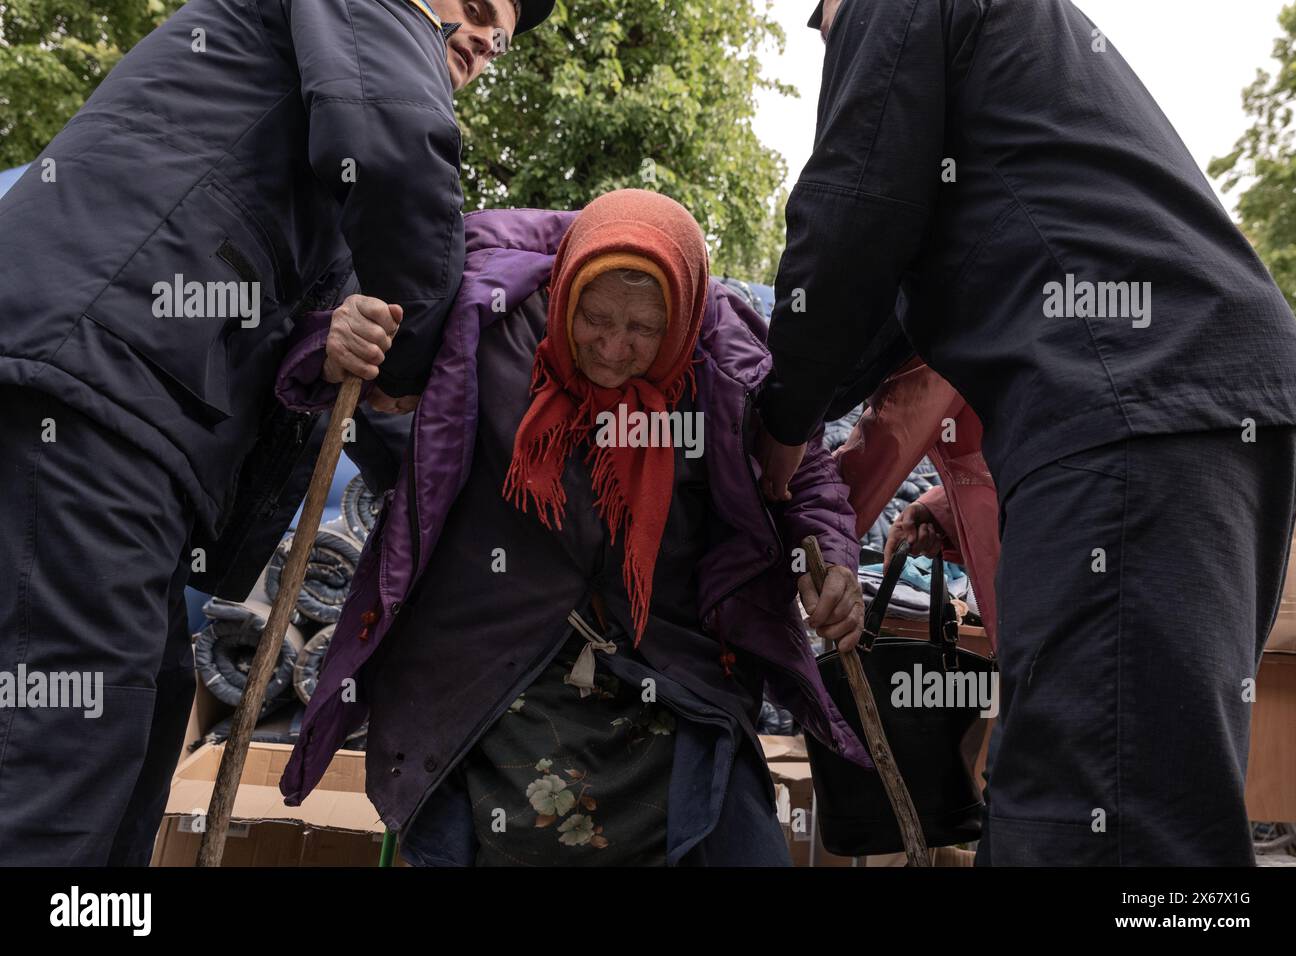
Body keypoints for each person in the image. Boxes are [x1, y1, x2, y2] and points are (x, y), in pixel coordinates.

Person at [0, 0, 556, 865]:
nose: (487, 40)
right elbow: (401, 161)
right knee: (64, 764)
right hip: (89, 386)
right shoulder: (372, 44)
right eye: (477, 9)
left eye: (503, 38)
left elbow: (330, 344)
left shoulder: (322, 144)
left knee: (139, 727)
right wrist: (417, 384)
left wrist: (348, 360)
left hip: (126, 414)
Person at [755, 0, 1296, 865]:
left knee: (1092, 813)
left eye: (818, 22)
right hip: (1203, 404)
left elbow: (852, 212)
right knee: (1155, 799)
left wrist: (780, 422)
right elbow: (896, 295)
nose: (825, 36)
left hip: (1138, 405)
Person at [276, 190, 871, 865]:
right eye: (595, 318)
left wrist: (837, 564)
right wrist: (336, 342)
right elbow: (356, 361)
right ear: (565, 295)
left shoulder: (723, 357)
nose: (615, 349)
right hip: (489, 651)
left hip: (670, 660)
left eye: (645, 329)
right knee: (459, 826)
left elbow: (805, 469)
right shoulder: (490, 319)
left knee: (736, 837)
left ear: (679, 321)